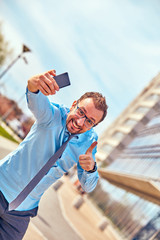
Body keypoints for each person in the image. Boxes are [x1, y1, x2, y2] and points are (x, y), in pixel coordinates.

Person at [0, 70, 108, 240]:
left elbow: (88, 187)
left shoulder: (88, 144)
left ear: (93, 126)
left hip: (20, 213)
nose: (80, 122)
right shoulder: (51, 116)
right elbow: (35, 97)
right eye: (81, 112)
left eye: (89, 121)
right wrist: (33, 83)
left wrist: (91, 169)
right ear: (74, 105)